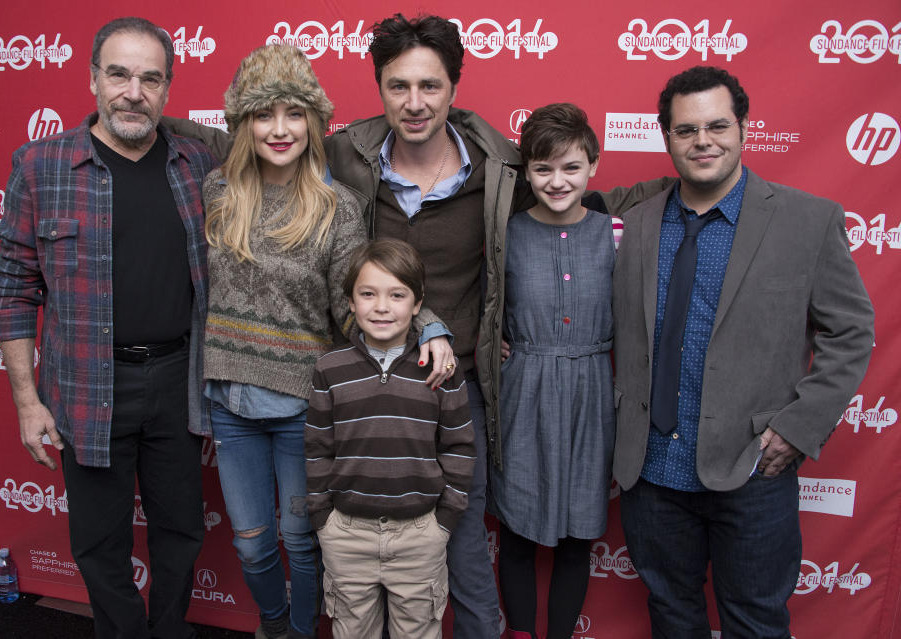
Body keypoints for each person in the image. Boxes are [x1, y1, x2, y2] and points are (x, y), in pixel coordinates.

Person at [164, 15, 664, 636]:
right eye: (399, 86)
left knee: (460, 526)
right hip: (362, 382)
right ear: (378, 87)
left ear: (454, 87)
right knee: (359, 533)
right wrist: (144, 115)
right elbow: (246, 138)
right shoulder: (344, 154)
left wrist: (678, 188)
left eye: (430, 86)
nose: (415, 102)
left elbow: (569, 193)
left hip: (461, 378)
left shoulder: (498, 164)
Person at [612, 66, 875, 638]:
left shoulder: (808, 221)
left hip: (753, 469)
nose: (702, 141)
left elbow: (851, 331)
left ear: (744, 128)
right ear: (667, 138)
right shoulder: (632, 223)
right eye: (685, 130)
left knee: (755, 623)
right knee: (671, 617)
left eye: (716, 126)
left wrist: (798, 427)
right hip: (652, 474)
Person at [0, 17, 215, 639]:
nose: (133, 92)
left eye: (150, 78)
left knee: (181, 532)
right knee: (97, 541)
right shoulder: (41, 165)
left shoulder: (199, 160)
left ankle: (169, 630)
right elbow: (12, 289)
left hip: (178, 379)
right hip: (86, 383)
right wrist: (27, 402)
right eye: (118, 74)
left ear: (168, 88)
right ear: (92, 79)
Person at [200, 45, 366, 639]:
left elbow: (355, 308)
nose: (279, 129)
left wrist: (422, 330)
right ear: (243, 124)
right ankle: (273, 624)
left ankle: (300, 631)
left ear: (315, 123)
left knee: (302, 540)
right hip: (230, 404)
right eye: (263, 114)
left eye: (294, 113)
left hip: (303, 406)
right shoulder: (217, 193)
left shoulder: (337, 208)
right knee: (251, 543)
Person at [489, 104, 620, 639]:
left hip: (591, 391)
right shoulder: (508, 233)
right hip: (525, 389)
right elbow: (487, 302)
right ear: (526, 173)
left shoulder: (614, 231)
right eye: (543, 169)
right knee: (517, 533)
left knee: (577, 536)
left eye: (570, 167)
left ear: (593, 164)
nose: (557, 180)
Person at [306, 238, 476, 639]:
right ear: (350, 301)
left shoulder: (440, 370)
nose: (381, 307)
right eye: (368, 294)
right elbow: (317, 449)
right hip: (347, 536)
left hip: (419, 537)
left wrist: (444, 522)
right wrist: (323, 520)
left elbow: (460, 447)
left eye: (397, 295)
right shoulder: (330, 369)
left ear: (418, 305)